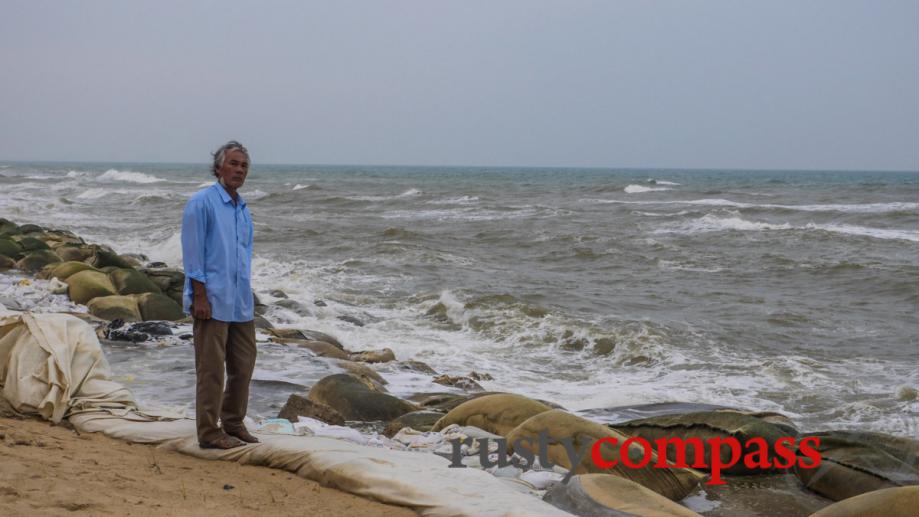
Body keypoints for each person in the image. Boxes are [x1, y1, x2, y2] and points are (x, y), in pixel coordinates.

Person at [181, 141, 259, 449]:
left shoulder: (242, 208)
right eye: (234, 164)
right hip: (211, 301)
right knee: (211, 370)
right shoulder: (201, 203)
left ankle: (233, 422)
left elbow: (242, 255)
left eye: (244, 166)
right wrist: (199, 296)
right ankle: (209, 432)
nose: (239, 170)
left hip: (240, 302)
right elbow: (193, 254)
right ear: (218, 168)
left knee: (243, 365)